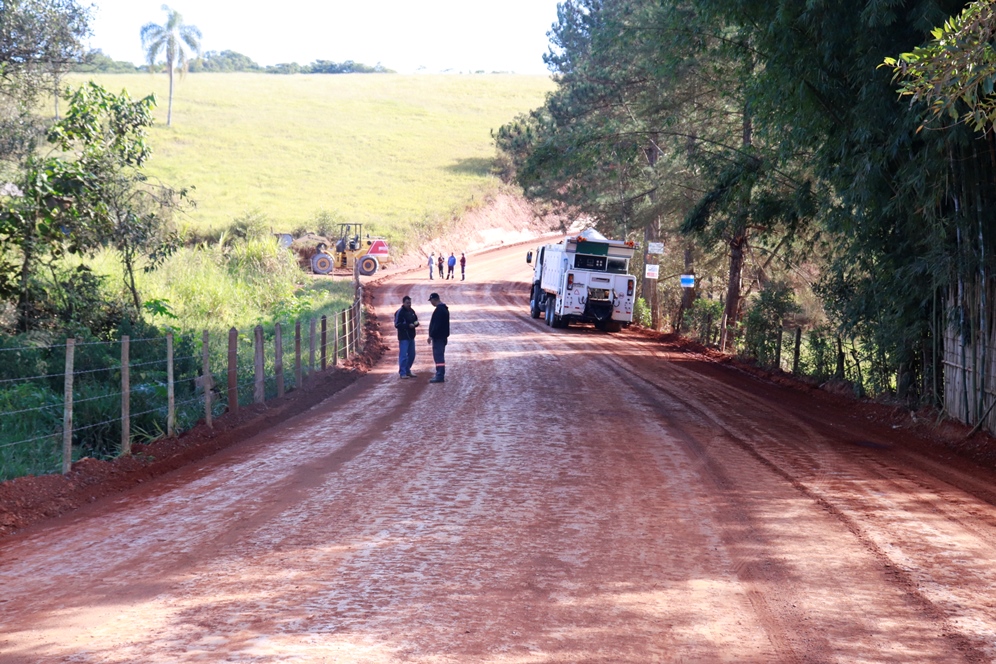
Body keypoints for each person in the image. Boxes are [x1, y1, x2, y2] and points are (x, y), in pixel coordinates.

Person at [394, 295, 419, 379]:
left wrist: (416, 323)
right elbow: (397, 324)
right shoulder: (400, 312)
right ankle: (403, 373)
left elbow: (415, 319)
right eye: (407, 303)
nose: (409, 304)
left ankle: (408, 370)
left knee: (412, 355)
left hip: (411, 336)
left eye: (410, 302)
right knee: (403, 355)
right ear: (403, 303)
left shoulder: (411, 311)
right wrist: (408, 325)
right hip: (403, 337)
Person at [427, 292, 449, 383]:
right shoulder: (444, 309)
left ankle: (439, 375)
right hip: (442, 337)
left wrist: (431, 335)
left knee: (438, 357)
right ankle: (440, 374)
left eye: (431, 300)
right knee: (440, 356)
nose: (431, 303)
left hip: (438, 338)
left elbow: (436, 325)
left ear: (434, 299)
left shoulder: (439, 310)